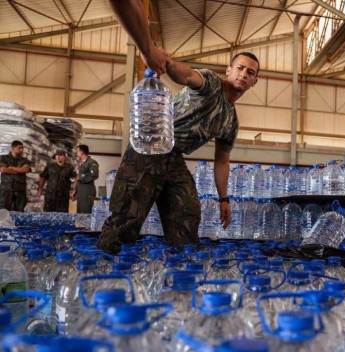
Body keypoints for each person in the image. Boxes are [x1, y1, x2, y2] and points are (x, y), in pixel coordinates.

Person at [98, 0, 259, 254]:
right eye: (239, 68)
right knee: (127, 216)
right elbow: (185, 76)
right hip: (149, 148)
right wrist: (167, 63)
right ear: (229, 70)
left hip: (173, 158)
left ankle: (179, 272)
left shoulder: (231, 121)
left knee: (187, 213)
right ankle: (104, 267)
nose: (243, 74)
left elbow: (222, 162)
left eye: (250, 73)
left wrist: (224, 199)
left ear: (254, 82)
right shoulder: (210, 83)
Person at [0, 140, 31, 211]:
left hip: (20, 190)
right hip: (6, 189)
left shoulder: (24, 160)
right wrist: (18, 170)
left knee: (20, 212)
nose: (21, 150)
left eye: (22, 148)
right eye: (19, 148)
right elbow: (3, 169)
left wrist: (12, 168)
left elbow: (25, 169)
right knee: (4, 211)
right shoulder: (3, 158)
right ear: (13, 148)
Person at [73, 145, 99, 214]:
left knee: (86, 211)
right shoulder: (83, 163)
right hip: (81, 191)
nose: (76, 153)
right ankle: (81, 225)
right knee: (80, 211)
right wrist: (76, 192)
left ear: (82, 152)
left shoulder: (92, 162)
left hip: (87, 191)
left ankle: (85, 225)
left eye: (77, 151)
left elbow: (94, 175)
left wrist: (81, 177)